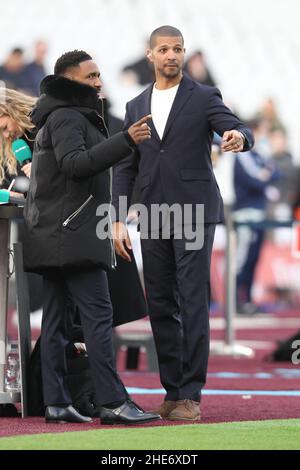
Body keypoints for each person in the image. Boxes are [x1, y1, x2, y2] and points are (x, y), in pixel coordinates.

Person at [112, 25, 254, 421]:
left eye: (177, 49)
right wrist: (118, 218)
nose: (171, 55)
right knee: (159, 303)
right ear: (150, 55)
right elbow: (126, 167)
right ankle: (172, 390)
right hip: (152, 216)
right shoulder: (136, 105)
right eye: (164, 49)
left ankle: (191, 392)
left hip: (195, 213)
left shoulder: (204, 96)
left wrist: (238, 137)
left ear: (183, 53)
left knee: (192, 301)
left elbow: (239, 127)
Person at [23, 49, 160, 425]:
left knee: (56, 322)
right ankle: (112, 402)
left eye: (99, 75)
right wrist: (125, 141)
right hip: (76, 235)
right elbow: (76, 165)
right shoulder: (68, 116)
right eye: (91, 76)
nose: (99, 81)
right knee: (98, 317)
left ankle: (56, 402)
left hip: (57, 234)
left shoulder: (57, 115)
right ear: (69, 80)